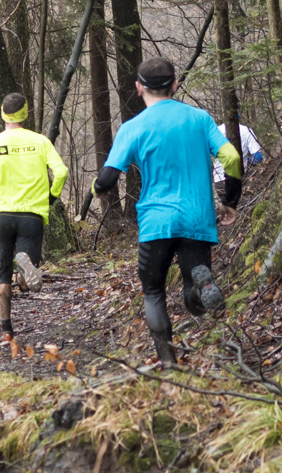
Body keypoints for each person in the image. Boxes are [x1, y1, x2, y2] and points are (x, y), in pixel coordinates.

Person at [93, 57, 243, 367]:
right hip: (196, 218)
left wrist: (96, 188)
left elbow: (107, 180)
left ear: (138, 88)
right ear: (175, 85)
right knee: (193, 291)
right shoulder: (200, 119)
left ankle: (168, 362)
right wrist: (230, 200)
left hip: (156, 222)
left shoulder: (133, 128)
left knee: (153, 291)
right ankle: (201, 288)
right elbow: (230, 155)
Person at [0, 92, 68, 342]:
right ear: (25, 114)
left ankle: (5, 329)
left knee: (1, 275)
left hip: (2, 215)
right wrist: (52, 196)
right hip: (32, 215)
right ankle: (23, 270)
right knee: (26, 280)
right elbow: (61, 172)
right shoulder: (40, 142)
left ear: (3, 114)